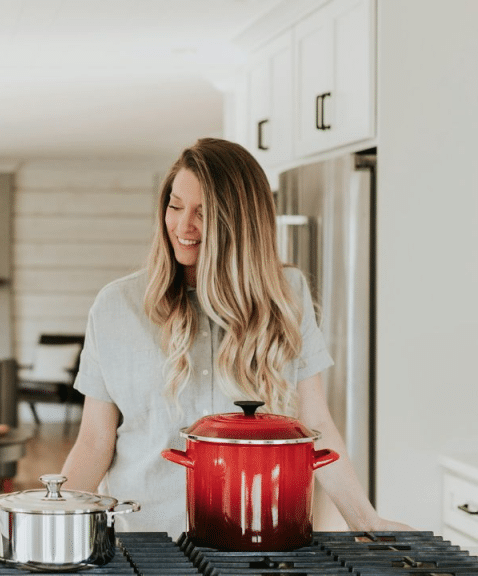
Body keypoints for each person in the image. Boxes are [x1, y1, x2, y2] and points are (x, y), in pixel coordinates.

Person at [60, 137, 410, 536]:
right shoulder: (115, 306)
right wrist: (52, 528)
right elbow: (93, 441)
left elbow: (315, 425)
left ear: (241, 223)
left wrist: (365, 521)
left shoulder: (287, 295)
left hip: (262, 540)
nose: (183, 226)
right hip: (145, 543)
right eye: (175, 206)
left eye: (203, 214)